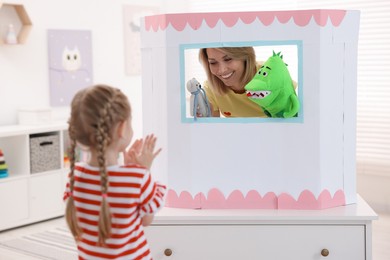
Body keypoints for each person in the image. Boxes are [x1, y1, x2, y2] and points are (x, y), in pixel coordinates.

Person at [64, 84, 166, 260]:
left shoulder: (75, 175)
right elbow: (146, 221)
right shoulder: (138, 177)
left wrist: (131, 170)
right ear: (121, 128)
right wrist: (143, 170)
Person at [198, 47, 267, 117]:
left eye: (228, 59)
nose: (222, 70)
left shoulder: (269, 74)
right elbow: (213, 126)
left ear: (245, 56)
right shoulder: (211, 88)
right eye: (213, 63)